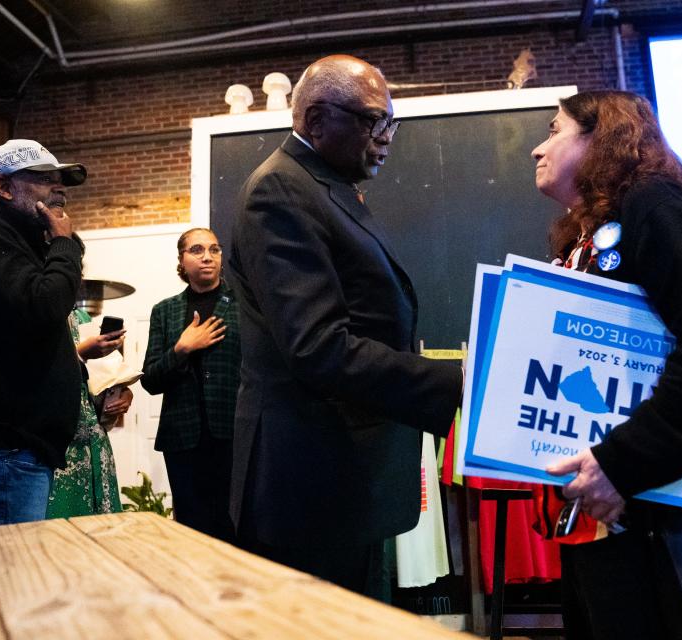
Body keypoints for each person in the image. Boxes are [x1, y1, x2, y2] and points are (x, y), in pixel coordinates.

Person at [528, 91, 682, 638]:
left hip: (672, 524)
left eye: (555, 130)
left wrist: (624, 462)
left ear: (600, 136)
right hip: (622, 520)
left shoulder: (655, 205)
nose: (538, 148)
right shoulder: (590, 233)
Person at [228, 54, 462, 598]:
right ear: (314, 120)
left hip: (341, 472)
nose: (386, 137)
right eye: (373, 121)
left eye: (390, 124)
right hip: (310, 480)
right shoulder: (280, 192)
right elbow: (317, 346)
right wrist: (455, 383)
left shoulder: (319, 186)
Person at [0, 139, 85, 529]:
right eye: (43, 179)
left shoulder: (22, 242)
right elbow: (45, 305)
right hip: (2, 453)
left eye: (60, 179)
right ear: (4, 188)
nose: (59, 188)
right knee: (5, 581)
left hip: (17, 452)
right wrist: (65, 245)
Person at [142, 228, 240, 541]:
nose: (207, 256)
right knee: (191, 531)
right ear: (182, 261)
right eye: (197, 250)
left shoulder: (245, 306)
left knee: (235, 527)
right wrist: (182, 348)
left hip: (235, 432)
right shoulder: (165, 311)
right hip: (182, 438)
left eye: (214, 249)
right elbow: (151, 380)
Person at [46, 300, 132, 518]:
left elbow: (102, 382)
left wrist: (121, 396)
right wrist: (79, 354)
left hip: (94, 443)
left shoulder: (84, 320)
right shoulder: (36, 315)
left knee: (98, 539)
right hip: (56, 449)